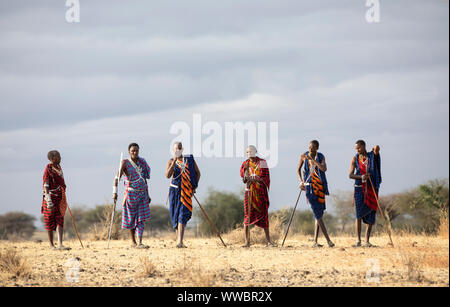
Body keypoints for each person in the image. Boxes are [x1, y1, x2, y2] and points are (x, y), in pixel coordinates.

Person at [113, 143, 151, 249]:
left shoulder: (142, 162)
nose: (135, 152)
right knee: (131, 218)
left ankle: (140, 242)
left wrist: (148, 194)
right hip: (131, 195)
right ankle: (133, 241)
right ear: (129, 152)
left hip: (142, 194)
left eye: (136, 150)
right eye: (132, 151)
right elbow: (116, 178)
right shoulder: (125, 163)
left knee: (141, 218)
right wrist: (114, 192)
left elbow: (144, 179)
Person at [298, 140, 335, 248]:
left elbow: (324, 169)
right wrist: (301, 182)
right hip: (309, 187)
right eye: (309, 147)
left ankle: (315, 241)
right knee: (317, 213)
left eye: (312, 147)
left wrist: (313, 161)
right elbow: (298, 170)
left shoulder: (321, 156)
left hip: (320, 187)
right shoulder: (304, 156)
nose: (310, 149)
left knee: (319, 213)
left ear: (317, 148)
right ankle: (329, 241)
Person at [240, 145, 277, 248]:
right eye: (247, 152)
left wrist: (256, 179)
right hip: (249, 192)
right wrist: (246, 171)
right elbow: (244, 180)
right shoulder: (245, 164)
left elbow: (266, 178)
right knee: (247, 215)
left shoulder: (262, 162)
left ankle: (268, 241)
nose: (249, 153)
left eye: (251, 151)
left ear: (255, 151)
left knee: (264, 215)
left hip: (260, 193)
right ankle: (247, 242)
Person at [165, 142, 201, 248]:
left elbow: (198, 173)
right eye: (176, 149)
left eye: (180, 148)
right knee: (175, 216)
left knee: (182, 214)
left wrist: (194, 187)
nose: (178, 150)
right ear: (173, 150)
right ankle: (178, 241)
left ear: (182, 149)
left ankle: (180, 241)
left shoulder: (189, 160)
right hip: (175, 191)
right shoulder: (171, 161)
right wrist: (174, 162)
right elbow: (167, 175)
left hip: (186, 191)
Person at [349, 140, 381, 247]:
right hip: (359, 188)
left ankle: (367, 240)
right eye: (356, 149)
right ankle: (358, 241)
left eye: (359, 148)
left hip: (372, 188)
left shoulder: (372, 156)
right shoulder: (355, 158)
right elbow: (350, 175)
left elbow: (377, 147)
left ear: (364, 146)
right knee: (358, 214)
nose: (357, 150)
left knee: (371, 213)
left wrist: (374, 150)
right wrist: (361, 177)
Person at [42, 150, 70, 250]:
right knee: (49, 220)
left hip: (59, 197)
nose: (60, 158)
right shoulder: (48, 168)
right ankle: (51, 245)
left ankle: (60, 244)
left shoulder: (58, 168)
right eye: (58, 156)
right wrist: (48, 200)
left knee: (60, 219)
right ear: (52, 158)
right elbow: (46, 184)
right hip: (50, 197)